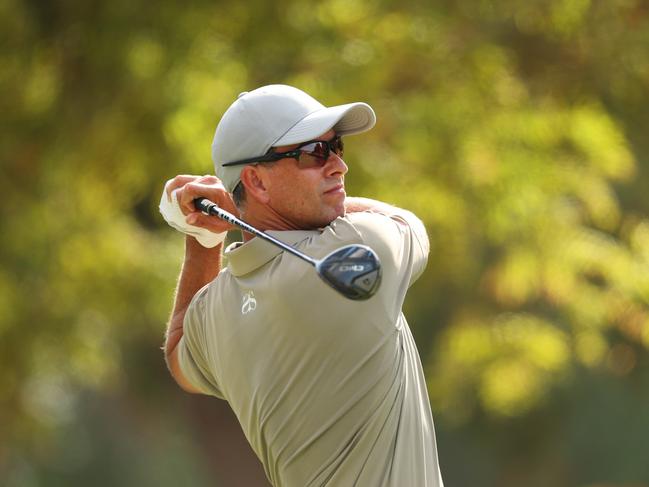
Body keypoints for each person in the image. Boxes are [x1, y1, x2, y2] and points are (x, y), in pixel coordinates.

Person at [161, 85, 444, 486]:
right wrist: (229, 206)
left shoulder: (215, 311)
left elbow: (178, 354)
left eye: (336, 148)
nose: (338, 166)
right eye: (313, 153)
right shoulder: (360, 247)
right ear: (256, 182)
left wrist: (202, 238)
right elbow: (406, 221)